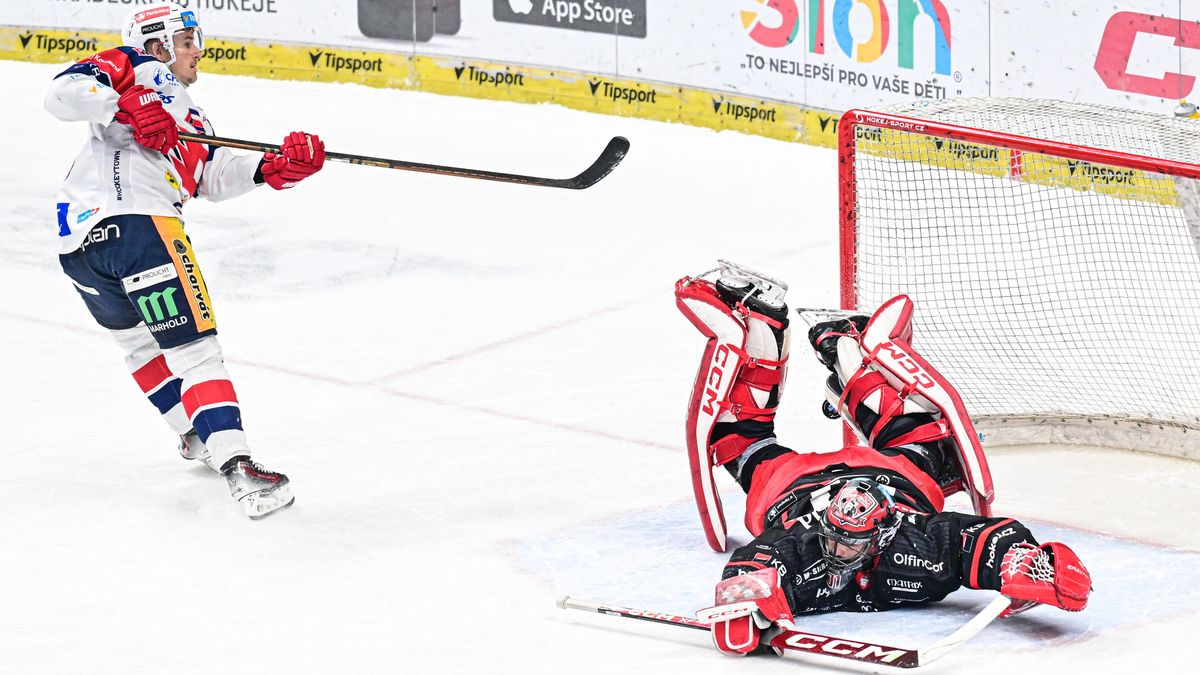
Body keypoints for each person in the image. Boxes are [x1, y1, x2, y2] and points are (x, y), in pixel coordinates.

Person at [674, 262, 1092, 656]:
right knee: (917, 439)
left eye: (847, 542)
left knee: (737, 439)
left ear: (882, 535)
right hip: (836, 480)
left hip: (795, 481)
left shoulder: (917, 540)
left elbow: (987, 540)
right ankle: (842, 348)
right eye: (833, 536)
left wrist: (1031, 565)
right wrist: (749, 604)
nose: (835, 549)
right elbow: (754, 565)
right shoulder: (808, 542)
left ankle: (782, 328)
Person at [44, 2, 325, 519]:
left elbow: (208, 176)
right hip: (141, 229)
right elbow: (60, 94)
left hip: (80, 248)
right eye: (188, 40)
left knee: (137, 345)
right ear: (157, 42)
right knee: (195, 351)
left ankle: (197, 436)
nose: (198, 50)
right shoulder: (130, 64)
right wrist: (124, 103)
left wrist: (274, 167)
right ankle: (240, 469)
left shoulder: (189, 113)